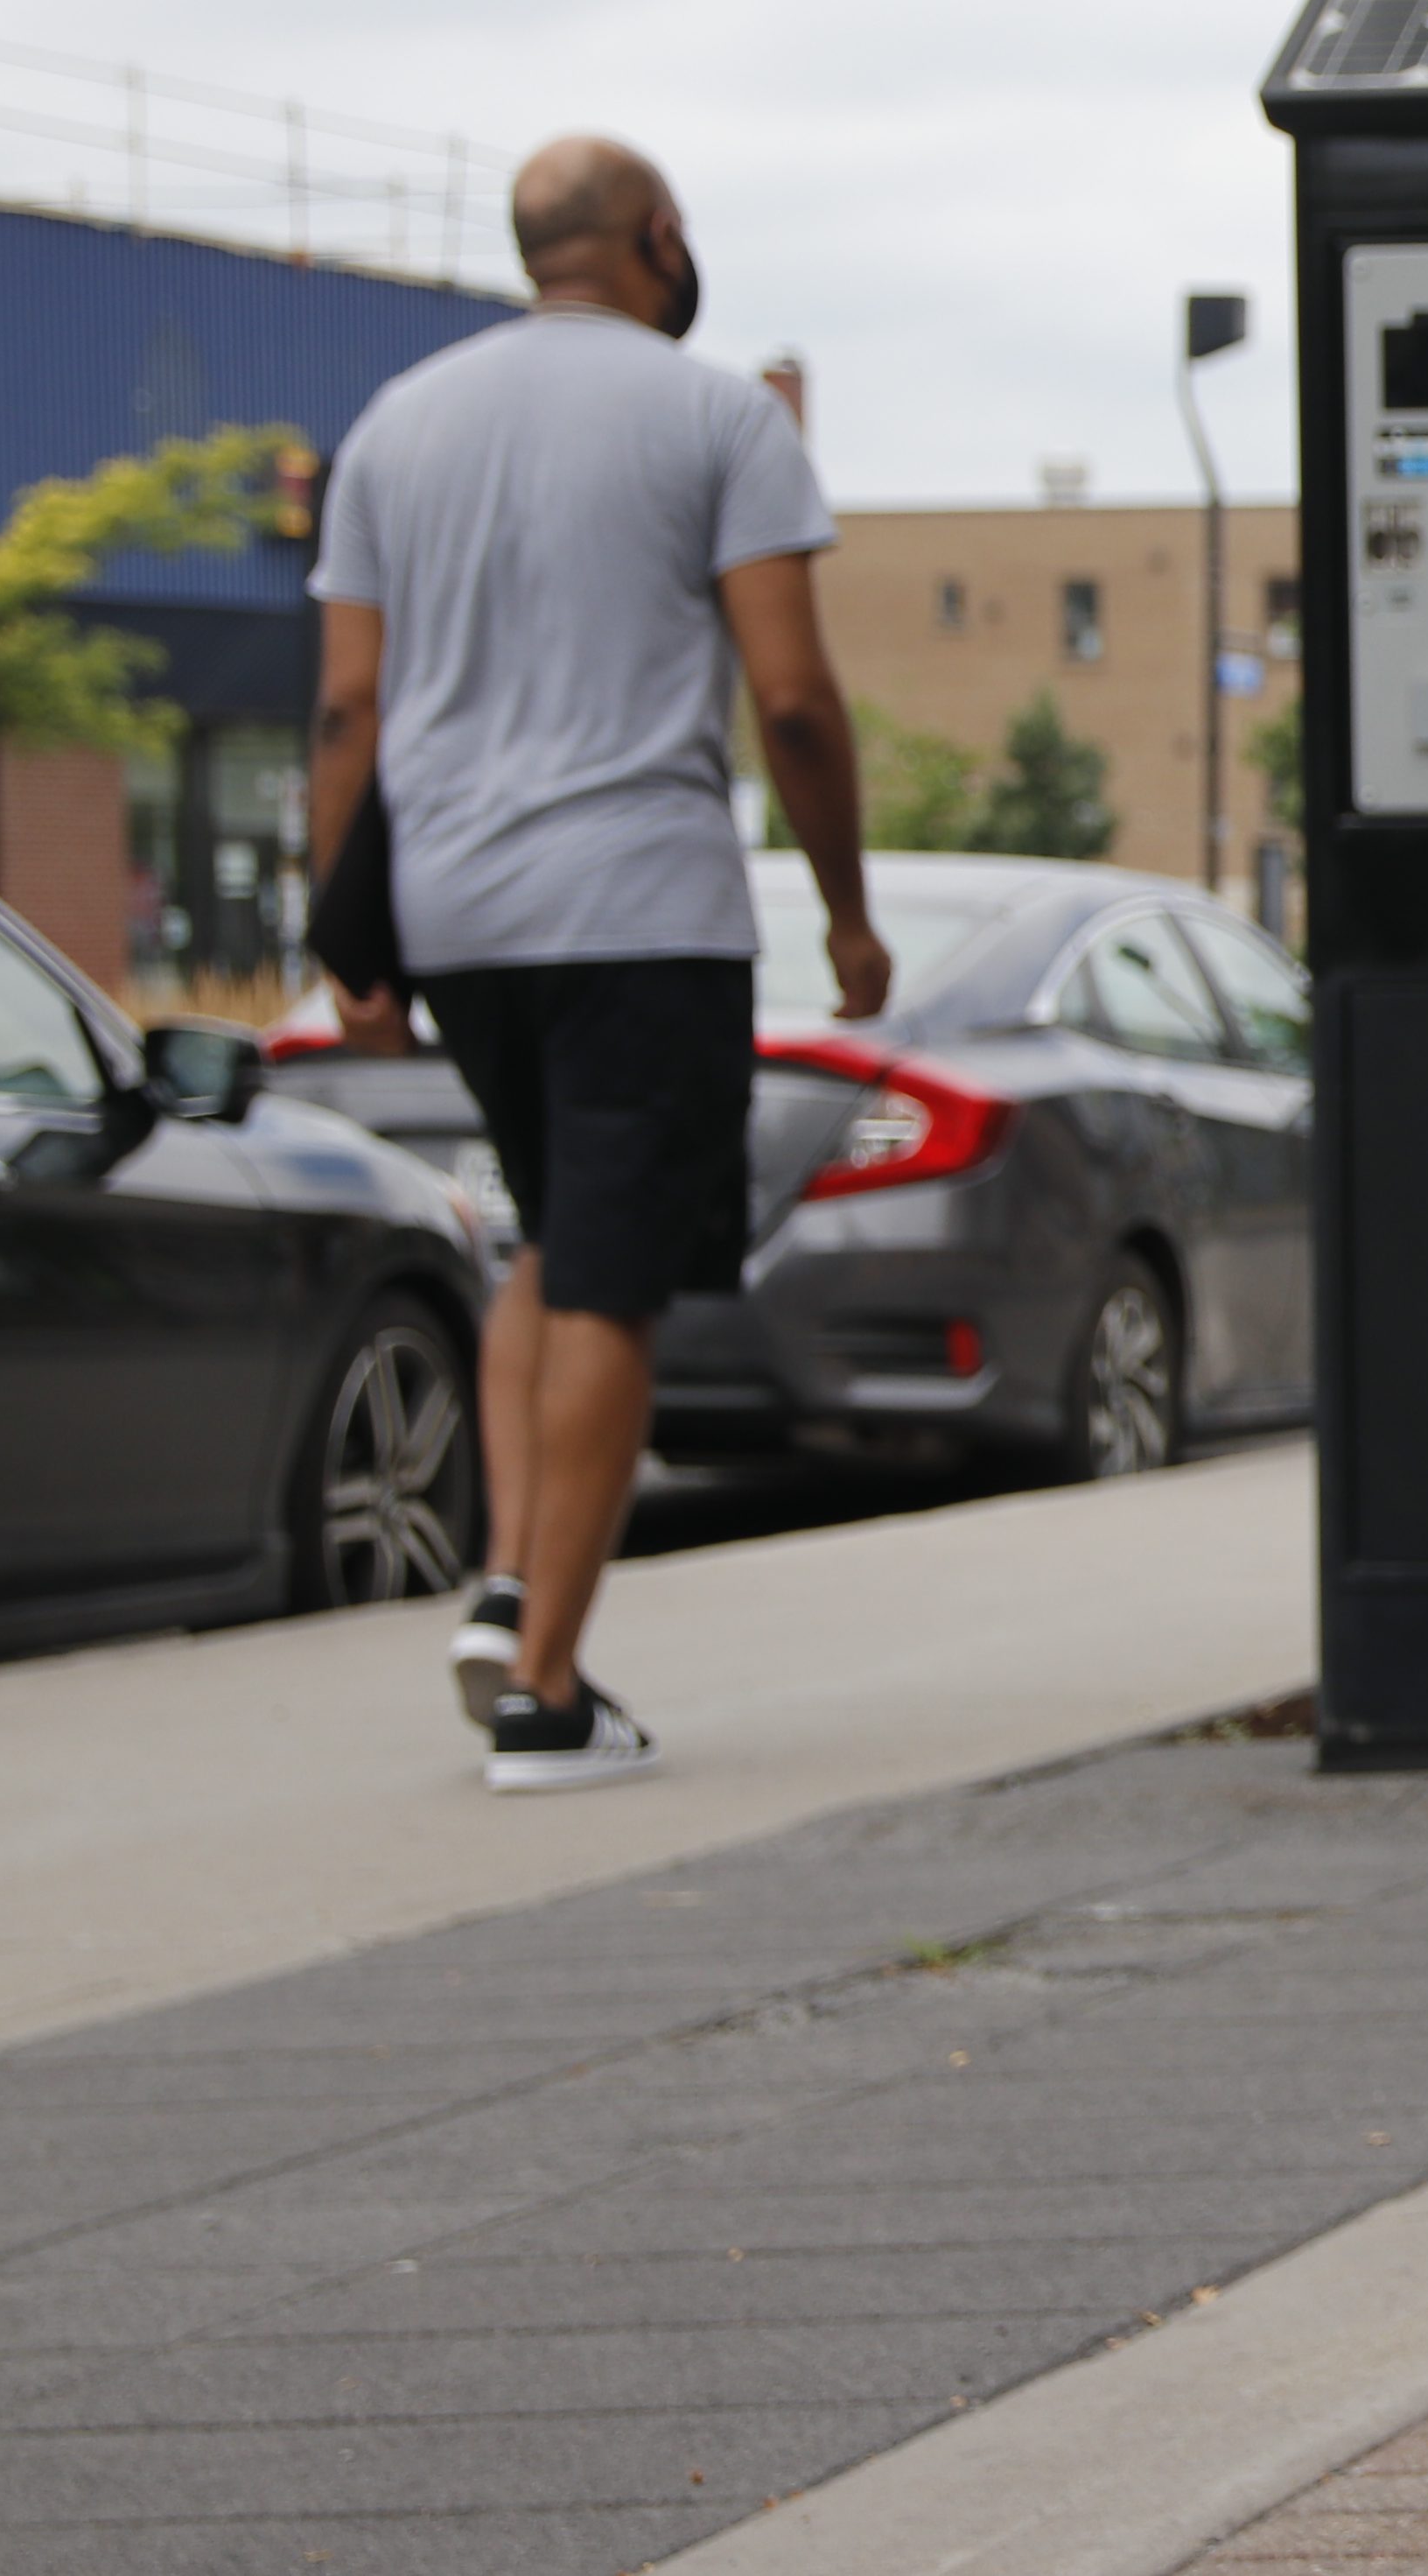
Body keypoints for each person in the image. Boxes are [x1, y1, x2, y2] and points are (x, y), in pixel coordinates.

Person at [304, 137, 888, 1792]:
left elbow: (350, 705)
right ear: (656, 239)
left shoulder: (399, 424)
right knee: (618, 1275)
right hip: (640, 905)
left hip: (464, 914)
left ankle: (509, 1579)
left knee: (552, 1244)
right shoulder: (716, 417)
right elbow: (791, 696)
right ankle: (549, 1695)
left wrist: (347, 938)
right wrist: (845, 912)